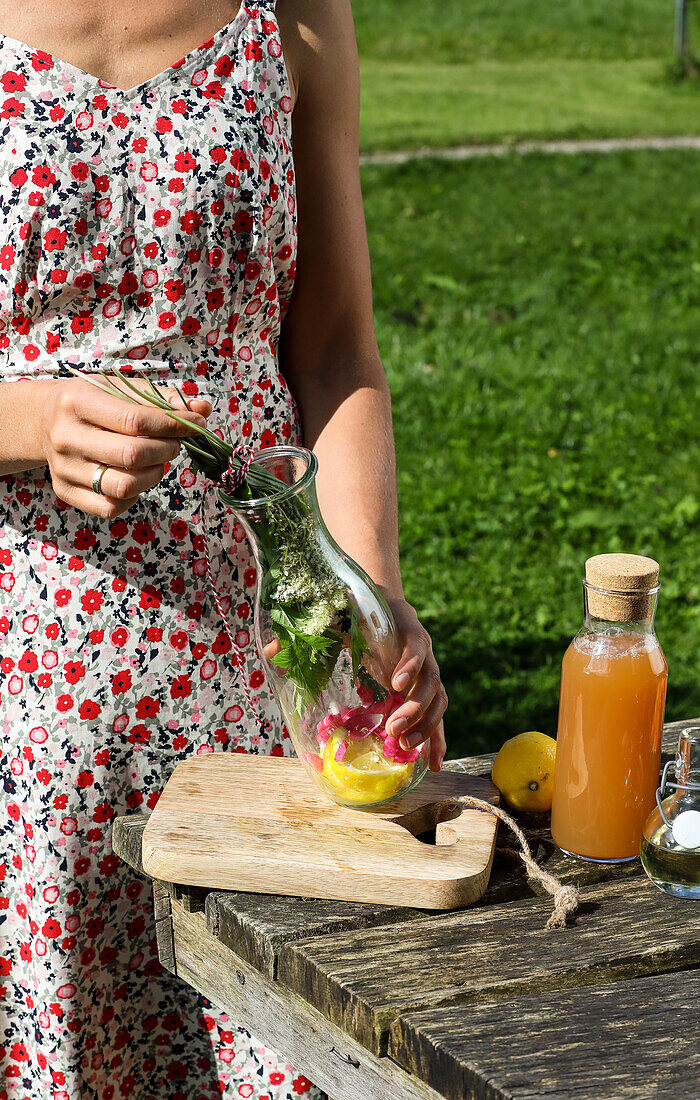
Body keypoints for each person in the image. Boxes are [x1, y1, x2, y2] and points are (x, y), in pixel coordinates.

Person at [0, 0, 448, 1097]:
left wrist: (368, 601)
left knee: (282, 1040)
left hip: (264, 670)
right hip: (27, 696)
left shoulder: (292, 11)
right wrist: (31, 423)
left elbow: (336, 348)